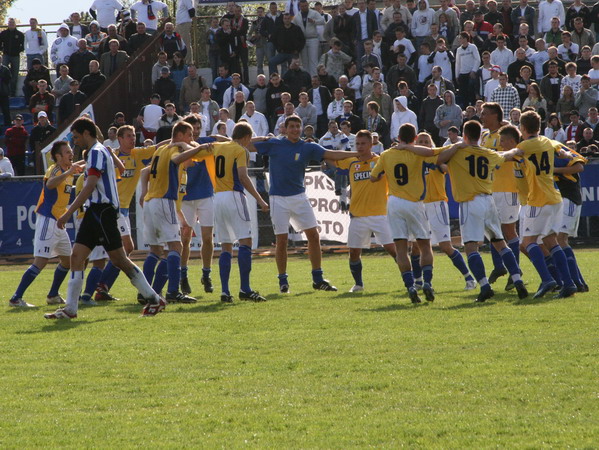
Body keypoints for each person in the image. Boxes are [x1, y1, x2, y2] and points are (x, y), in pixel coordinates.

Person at [44, 118, 166, 319]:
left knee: (119, 259)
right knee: (77, 257)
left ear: (86, 133)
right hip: (96, 211)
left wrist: (67, 212)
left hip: (102, 212)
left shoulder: (96, 152)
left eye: (76, 137)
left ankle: (154, 298)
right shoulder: (96, 152)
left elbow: (90, 185)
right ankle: (70, 309)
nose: (75, 142)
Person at [253, 115, 358, 293]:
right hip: (278, 199)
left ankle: (318, 279)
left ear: (301, 128)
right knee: (282, 240)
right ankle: (283, 281)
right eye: (291, 126)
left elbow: (331, 154)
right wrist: (264, 138)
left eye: (297, 126)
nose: (295, 129)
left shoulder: (308, 147)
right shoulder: (275, 144)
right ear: (285, 128)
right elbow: (246, 142)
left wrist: (357, 153)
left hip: (299, 197)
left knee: (314, 236)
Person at [427, 121, 527, 302]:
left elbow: (438, 160)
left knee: (471, 247)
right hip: (489, 200)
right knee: (500, 243)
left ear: (464, 135)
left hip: (470, 202)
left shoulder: (457, 152)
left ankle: (484, 286)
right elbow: (506, 155)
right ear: (480, 136)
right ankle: (517, 280)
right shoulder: (487, 152)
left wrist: (457, 144)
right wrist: (516, 151)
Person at [141, 121, 213, 306]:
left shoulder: (160, 150)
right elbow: (176, 159)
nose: (191, 138)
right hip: (164, 200)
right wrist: (187, 146)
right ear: (180, 135)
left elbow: (145, 171)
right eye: (189, 135)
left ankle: (146, 292)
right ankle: (173, 292)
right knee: (175, 247)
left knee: (156, 250)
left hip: (151, 201)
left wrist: (143, 192)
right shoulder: (174, 150)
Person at [370, 123, 442, 303]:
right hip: (414, 203)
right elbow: (434, 153)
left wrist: (381, 173)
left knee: (401, 249)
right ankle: (427, 283)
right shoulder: (417, 152)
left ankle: (410, 286)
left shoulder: (386, 154)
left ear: (398, 137)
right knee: (425, 246)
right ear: (415, 138)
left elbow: (373, 177)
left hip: (394, 203)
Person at [510, 110, 578, 299]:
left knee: (527, 242)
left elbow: (514, 154)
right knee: (550, 241)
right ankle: (569, 283)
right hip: (555, 197)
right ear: (539, 127)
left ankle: (547, 279)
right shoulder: (548, 141)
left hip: (538, 199)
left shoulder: (524, 145)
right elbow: (562, 151)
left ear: (522, 128)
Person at [9, 142, 83, 308]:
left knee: (67, 261)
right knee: (40, 262)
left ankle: (53, 295)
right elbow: (49, 184)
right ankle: (16, 297)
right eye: (67, 152)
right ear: (58, 156)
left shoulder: (69, 168)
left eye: (71, 151)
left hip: (59, 222)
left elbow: (81, 163)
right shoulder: (55, 170)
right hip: (48, 220)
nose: (71, 154)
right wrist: (70, 171)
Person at [94, 125, 159, 301]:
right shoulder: (110, 156)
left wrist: (177, 140)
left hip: (122, 210)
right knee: (124, 249)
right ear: (120, 139)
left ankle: (101, 287)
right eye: (128, 136)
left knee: (123, 250)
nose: (132, 139)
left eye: (133, 136)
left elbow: (158, 147)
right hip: (112, 210)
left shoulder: (137, 154)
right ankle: (98, 287)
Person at [326, 130, 397, 292]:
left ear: (371, 144)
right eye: (357, 143)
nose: (359, 146)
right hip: (358, 215)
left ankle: (410, 279)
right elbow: (330, 158)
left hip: (380, 214)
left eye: (363, 143)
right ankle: (358, 284)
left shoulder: (381, 161)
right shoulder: (351, 161)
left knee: (393, 250)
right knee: (353, 253)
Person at [210, 123, 268, 302]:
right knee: (245, 241)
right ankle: (245, 288)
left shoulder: (219, 147)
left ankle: (225, 291)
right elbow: (243, 176)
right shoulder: (241, 150)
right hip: (234, 196)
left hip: (217, 198)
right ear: (245, 137)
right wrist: (260, 199)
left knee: (226, 245)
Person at [415, 132, 477, 290]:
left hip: (436, 204)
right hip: (418, 205)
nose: (423, 143)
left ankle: (469, 278)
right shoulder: (413, 160)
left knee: (445, 246)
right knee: (417, 246)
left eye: (426, 141)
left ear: (431, 144)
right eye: (420, 141)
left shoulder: (436, 159)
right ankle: (420, 282)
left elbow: (447, 169)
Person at [553, 146, 589, 292]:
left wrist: (555, 170)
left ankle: (577, 283)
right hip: (565, 199)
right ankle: (578, 282)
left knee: (561, 240)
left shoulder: (559, 150)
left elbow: (579, 167)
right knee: (558, 240)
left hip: (571, 199)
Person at [0, 18, 25, 96]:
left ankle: (12, 93)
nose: (11, 24)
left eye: (13, 23)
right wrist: (2, 50)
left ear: (15, 24)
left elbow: (23, 46)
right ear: (8, 24)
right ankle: (4, 92)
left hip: (15, 56)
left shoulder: (20, 34)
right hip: (6, 55)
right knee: (3, 72)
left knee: (14, 75)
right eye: (10, 23)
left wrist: (18, 51)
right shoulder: (3, 33)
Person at [0, 55, 11, 127]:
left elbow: (8, 79)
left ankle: (8, 126)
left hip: (3, 93)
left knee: (6, 111)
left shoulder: (5, 69)